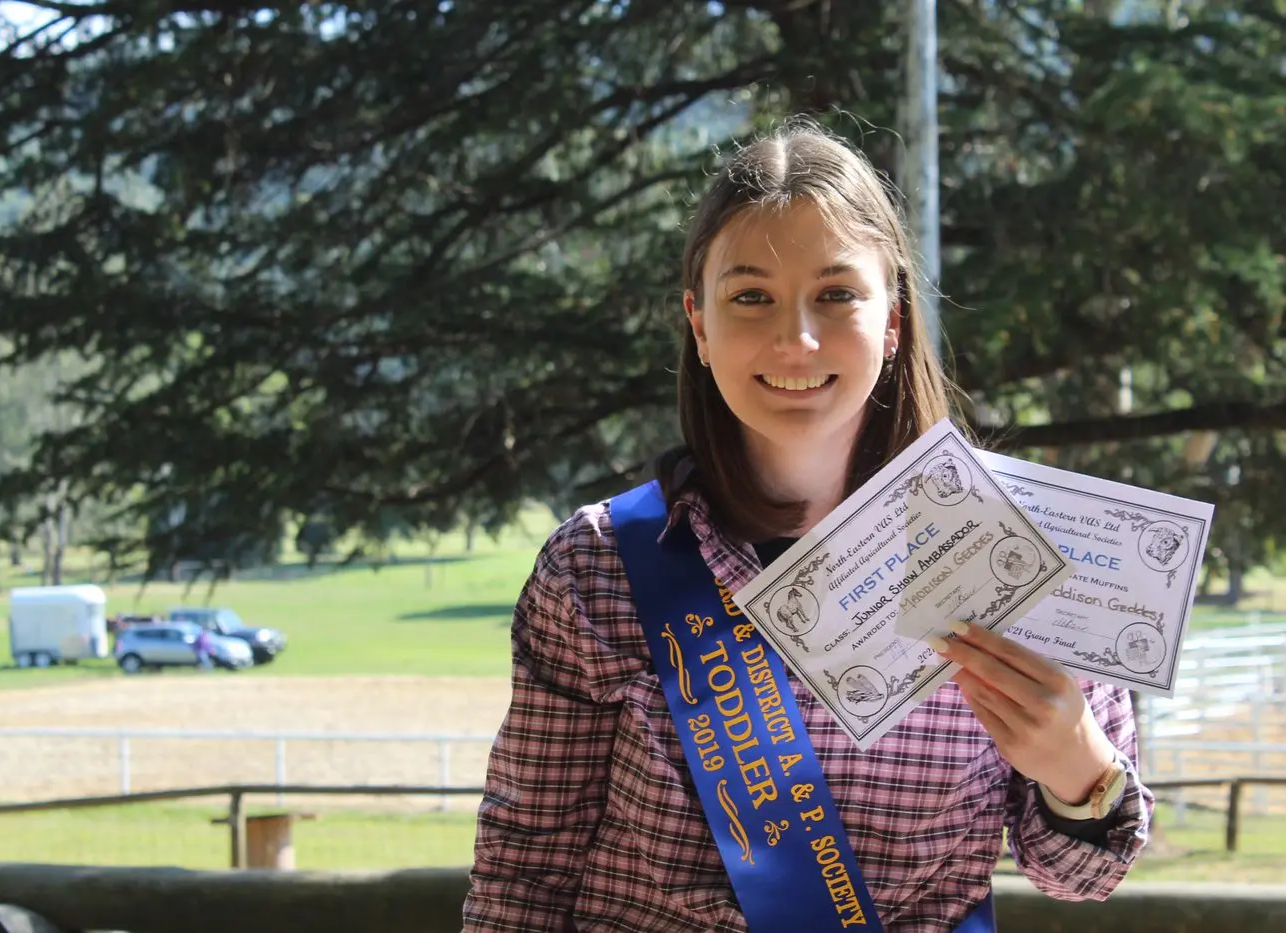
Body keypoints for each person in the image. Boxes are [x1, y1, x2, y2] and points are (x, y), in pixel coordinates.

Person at [462, 120, 1153, 933]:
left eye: (836, 294)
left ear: (891, 320)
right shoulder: (597, 568)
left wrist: (1073, 763)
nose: (795, 338)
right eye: (750, 295)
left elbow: (1082, 872)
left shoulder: (1018, 550)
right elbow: (524, 867)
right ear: (699, 325)